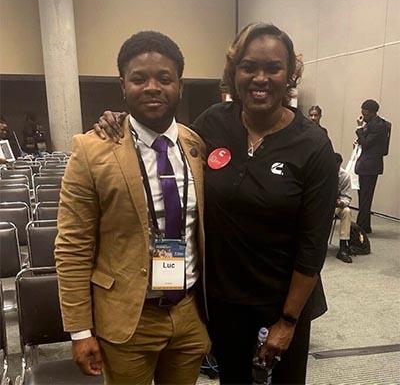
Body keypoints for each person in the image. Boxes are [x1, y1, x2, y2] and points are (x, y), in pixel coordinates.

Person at [94, 23, 338, 384]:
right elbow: (164, 142)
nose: (260, 78)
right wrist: (120, 121)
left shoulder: (313, 145)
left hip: (282, 305)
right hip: (221, 303)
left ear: (290, 76)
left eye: (273, 68)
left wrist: (287, 321)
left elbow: (313, 245)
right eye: (249, 67)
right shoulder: (211, 123)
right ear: (234, 73)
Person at [54, 31, 210, 385]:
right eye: (139, 78)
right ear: (122, 85)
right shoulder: (91, 150)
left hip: (188, 313)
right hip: (128, 317)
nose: (152, 87)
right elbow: (72, 247)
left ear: (179, 86)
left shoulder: (194, 144)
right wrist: (80, 331)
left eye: (164, 78)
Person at [355, 99, 390, 233]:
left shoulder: (379, 125)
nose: (363, 116)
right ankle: (366, 226)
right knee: (363, 197)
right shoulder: (371, 123)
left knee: (366, 198)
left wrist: (359, 128)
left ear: (373, 112)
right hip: (366, 165)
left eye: (365, 114)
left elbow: (366, 143)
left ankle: (361, 227)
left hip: (371, 166)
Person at [334, 153, 353, 264]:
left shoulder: (344, 176)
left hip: (335, 206)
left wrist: (341, 203)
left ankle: (343, 248)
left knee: (347, 211)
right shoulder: (320, 173)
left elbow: (347, 197)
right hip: (321, 206)